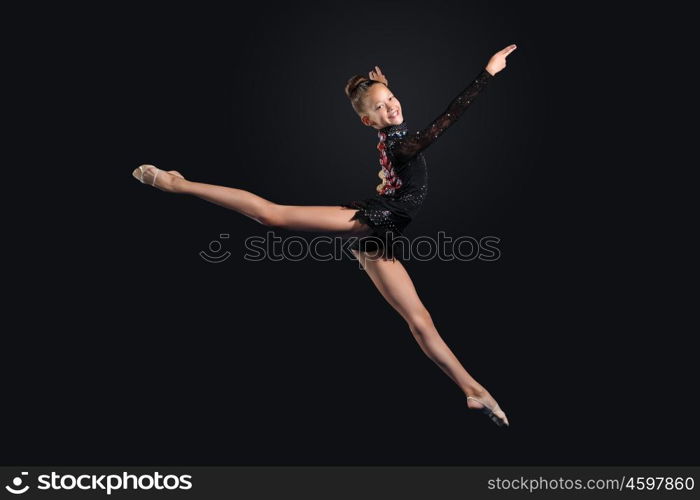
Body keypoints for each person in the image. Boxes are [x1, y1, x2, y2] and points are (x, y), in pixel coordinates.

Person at [132, 44, 517, 426]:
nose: (391, 107)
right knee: (273, 216)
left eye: (392, 99)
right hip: (377, 218)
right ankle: (177, 185)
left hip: (382, 232)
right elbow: (450, 117)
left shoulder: (393, 131)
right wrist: (488, 73)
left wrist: (379, 90)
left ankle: (473, 390)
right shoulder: (403, 144)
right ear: (368, 122)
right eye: (380, 107)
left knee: (420, 319)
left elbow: (389, 119)